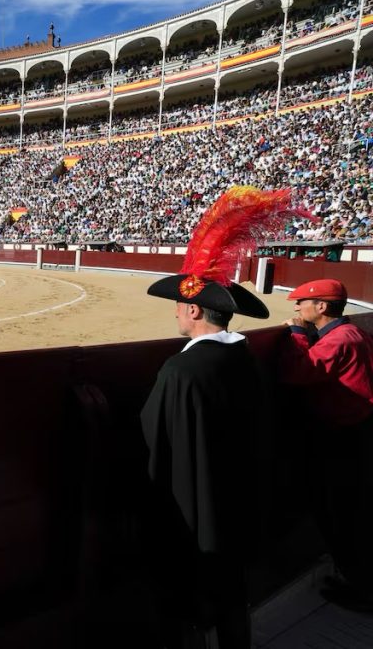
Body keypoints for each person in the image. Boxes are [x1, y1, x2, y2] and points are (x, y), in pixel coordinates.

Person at [139, 185, 301, 648]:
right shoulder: (243, 358)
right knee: (232, 596)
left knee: (186, 598)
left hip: (194, 513)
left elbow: (156, 444)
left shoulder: (180, 370)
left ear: (192, 308)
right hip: (240, 503)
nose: (176, 312)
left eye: (178, 305)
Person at [279, 278, 373, 611]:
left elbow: (298, 372)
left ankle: (364, 590)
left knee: (345, 514)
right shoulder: (355, 334)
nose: (297, 309)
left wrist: (298, 335)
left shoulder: (339, 341)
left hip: (342, 437)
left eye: (303, 302)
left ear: (321, 307)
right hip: (355, 432)